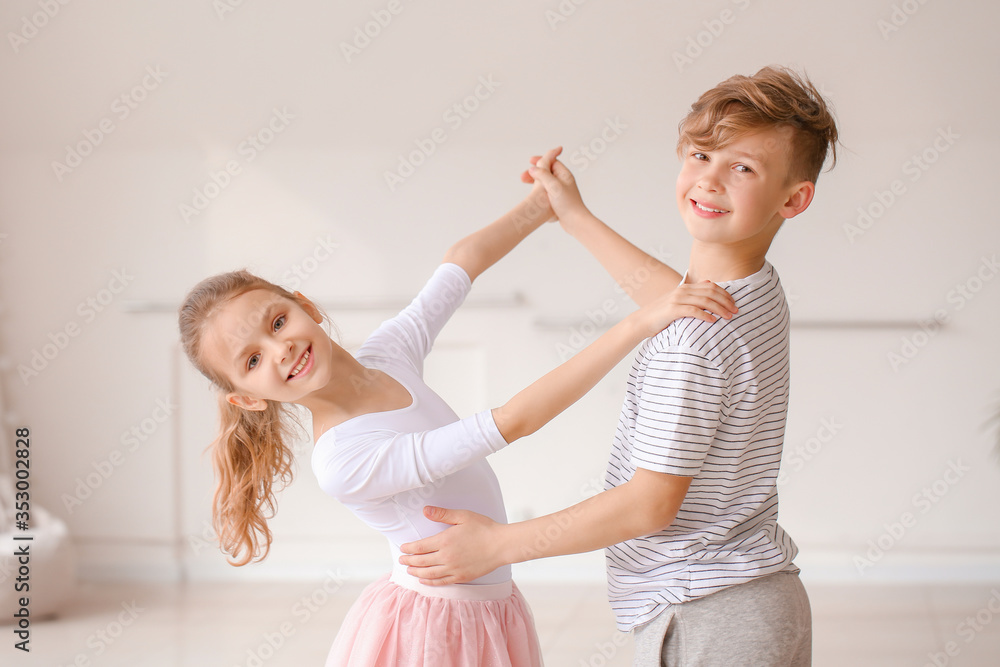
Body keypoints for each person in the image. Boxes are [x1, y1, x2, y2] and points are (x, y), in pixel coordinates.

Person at [176, 147, 737, 667]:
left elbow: (459, 264)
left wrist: (541, 207)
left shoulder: (386, 356)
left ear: (304, 305)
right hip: (431, 626)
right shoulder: (343, 457)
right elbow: (513, 420)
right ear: (248, 398)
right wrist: (639, 322)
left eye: (278, 322)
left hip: (491, 605)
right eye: (252, 361)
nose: (282, 349)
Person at [398, 66, 840, 666]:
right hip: (757, 598)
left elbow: (647, 505)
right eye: (700, 155)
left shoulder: (691, 346)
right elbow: (676, 300)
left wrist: (497, 546)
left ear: (794, 199)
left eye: (742, 167)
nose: (709, 180)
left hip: (705, 611)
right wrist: (574, 216)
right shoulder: (753, 290)